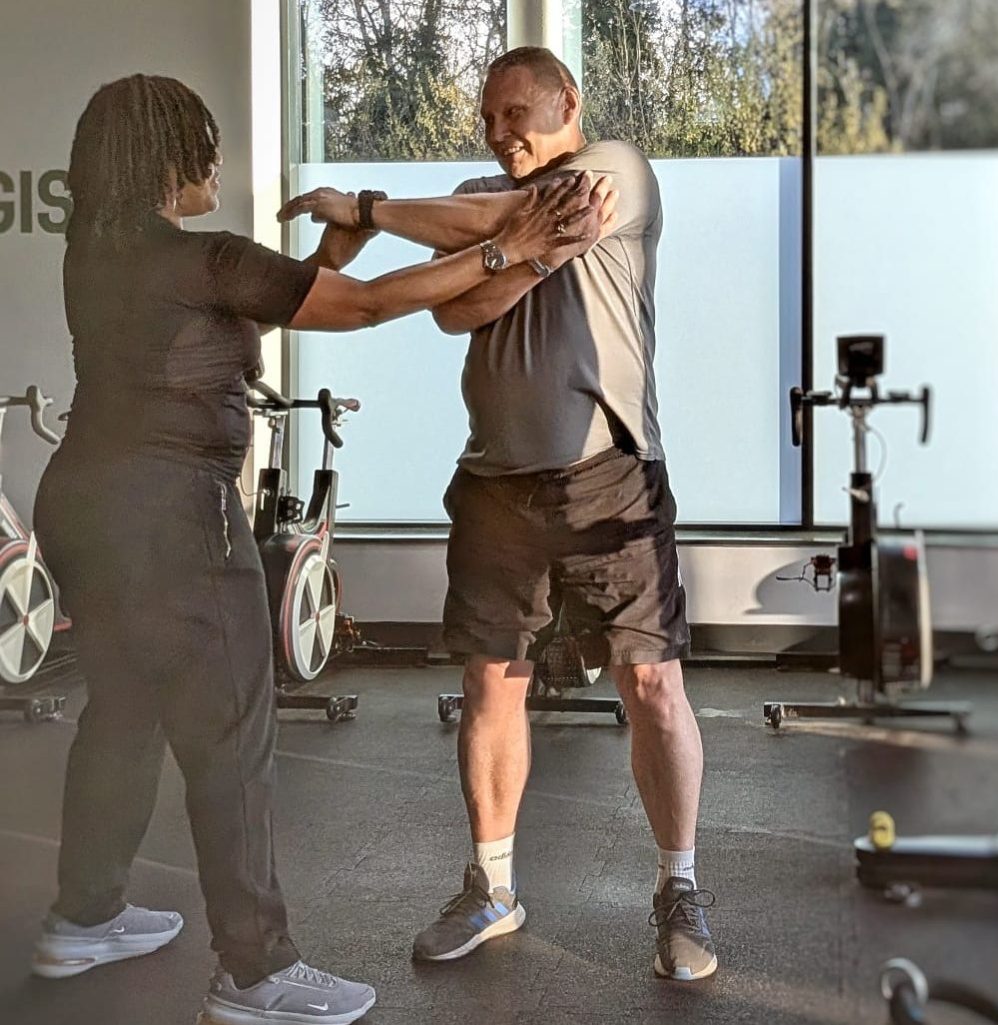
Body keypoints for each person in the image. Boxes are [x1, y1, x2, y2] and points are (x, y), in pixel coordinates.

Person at [33, 73, 610, 1025]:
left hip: (84, 502)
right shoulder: (204, 256)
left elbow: (237, 310)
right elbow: (370, 306)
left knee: (124, 709)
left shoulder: (95, 255)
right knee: (231, 737)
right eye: (205, 144)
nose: (216, 161)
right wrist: (510, 248)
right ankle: (255, 972)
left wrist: (334, 248)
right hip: (174, 514)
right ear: (169, 158)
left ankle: (83, 916)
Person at [278, 46, 716, 982]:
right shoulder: (480, 192)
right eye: (487, 117)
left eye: (515, 111)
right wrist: (532, 254)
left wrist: (366, 210)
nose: (498, 132)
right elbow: (454, 312)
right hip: (493, 482)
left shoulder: (618, 171)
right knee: (491, 683)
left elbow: (486, 242)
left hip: (610, 475)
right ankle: (492, 885)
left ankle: (679, 888)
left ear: (567, 101)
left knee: (651, 685)